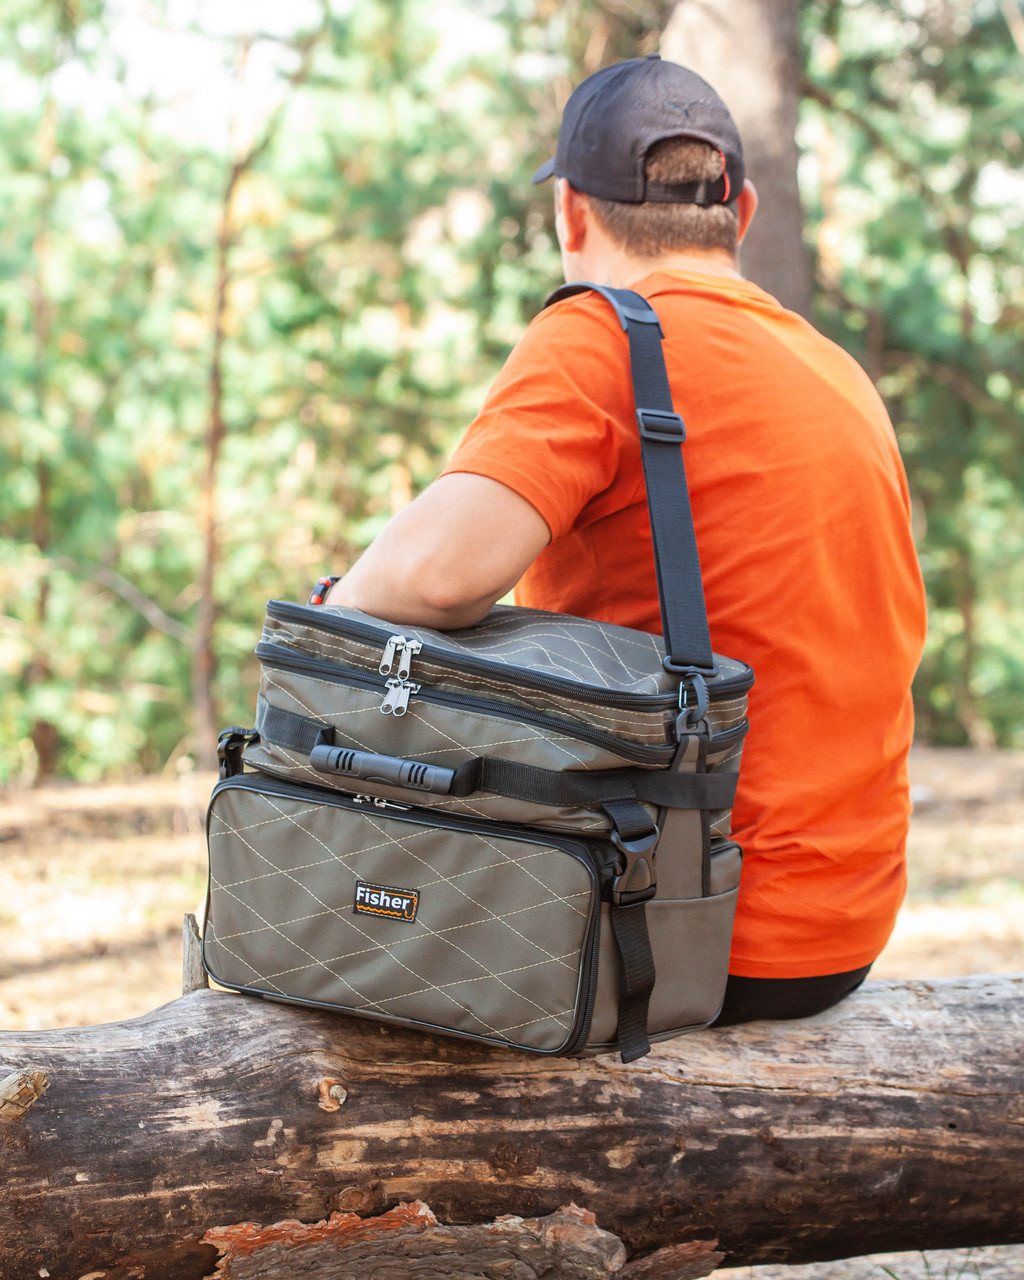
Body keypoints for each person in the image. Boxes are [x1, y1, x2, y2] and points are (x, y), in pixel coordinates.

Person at [323, 55, 927, 1025]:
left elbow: (432, 578)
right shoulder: (837, 373)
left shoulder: (605, 337)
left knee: (317, 917)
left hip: (681, 933)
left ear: (570, 214)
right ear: (744, 212)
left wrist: (332, 607)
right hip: (837, 934)